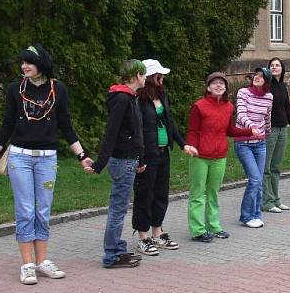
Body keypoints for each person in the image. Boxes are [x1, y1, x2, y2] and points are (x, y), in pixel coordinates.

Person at [0, 44, 92, 284]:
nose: (24, 66)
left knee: (43, 211)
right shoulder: (15, 90)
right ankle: (27, 265)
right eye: (22, 62)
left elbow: (66, 127)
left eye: (29, 62)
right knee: (25, 210)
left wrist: (81, 156)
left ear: (41, 63)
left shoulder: (58, 90)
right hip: (20, 158)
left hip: (47, 159)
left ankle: (42, 261)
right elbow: (6, 127)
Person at [88, 60, 147, 269]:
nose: (146, 78)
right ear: (136, 76)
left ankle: (117, 248)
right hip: (122, 161)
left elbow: (135, 133)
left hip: (129, 159)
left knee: (120, 207)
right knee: (118, 209)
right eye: (144, 74)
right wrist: (99, 164)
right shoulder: (122, 99)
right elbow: (111, 133)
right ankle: (112, 254)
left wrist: (140, 158)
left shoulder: (130, 98)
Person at [134, 59, 195, 256]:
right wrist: (139, 158)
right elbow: (137, 130)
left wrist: (183, 143)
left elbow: (171, 124)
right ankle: (143, 237)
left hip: (163, 152)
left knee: (161, 193)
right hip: (147, 155)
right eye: (160, 75)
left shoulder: (162, 96)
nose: (163, 78)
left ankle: (157, 232)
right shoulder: (139, 100)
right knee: (145, 194)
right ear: (151, 77)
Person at [186, 72, 257, 242]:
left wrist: (249, 131)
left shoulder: (228, 107)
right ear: (208, 87)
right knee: (198, 193)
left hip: (220, 156)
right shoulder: (199, 106)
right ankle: (197, 230)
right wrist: (191, 146)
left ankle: (214, 225)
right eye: (215, 83)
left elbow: (229, 130)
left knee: (213, 192)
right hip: (200, 156)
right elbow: (193, 130)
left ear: (225, 88)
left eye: (222, 83)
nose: (218, 85)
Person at [234, 68, 272, 228]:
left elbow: (267, 116)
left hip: (260, 143)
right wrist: (252, 128)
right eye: (256, 75)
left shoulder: (269, 97)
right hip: (243, 142)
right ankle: (246, 215)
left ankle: (256, 214)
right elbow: (241, 115)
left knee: (259, 180)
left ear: (267, 81)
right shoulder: (243, 92)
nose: (257, 78)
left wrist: (266, 131)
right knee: (255, 179)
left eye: (261, 76)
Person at [263, 58, 290, 214]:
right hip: (270, 130)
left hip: (283, 129)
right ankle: (267, 202)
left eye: (277, 65)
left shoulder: (283, 86)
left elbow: (287, 109)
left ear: (282, 69)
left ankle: (276, 199)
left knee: (276, 167)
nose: (274, 67)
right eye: (272, 65)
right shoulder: (266, 86)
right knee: (266, 168)